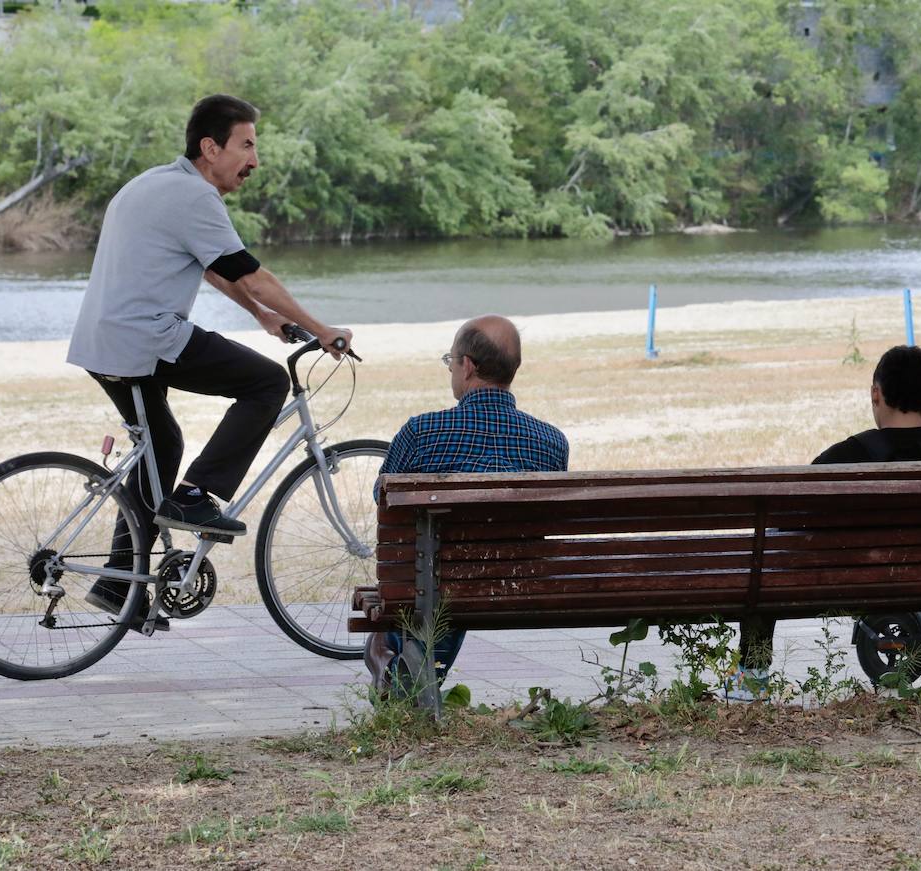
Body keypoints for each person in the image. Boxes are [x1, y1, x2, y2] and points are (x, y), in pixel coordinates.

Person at [66, 94, 352, 625]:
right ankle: (196, 495)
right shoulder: (196, 198)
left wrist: (264, 317)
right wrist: (321, 328)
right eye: (246, 145)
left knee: (162, 444)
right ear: (210, 147)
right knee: (266, 383)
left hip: (101, 342)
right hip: (145, 340)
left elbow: (213, 268)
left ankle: (117, 583)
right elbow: (251, 273)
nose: (255, 161)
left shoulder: (154, 183)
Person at [735, 345, 921, 698]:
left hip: (851, 584)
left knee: (768, 553)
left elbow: (791, 526)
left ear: (875, 394)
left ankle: (751, 678)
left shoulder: (839, 460)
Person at [364, 315, 569, 696]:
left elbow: (383, 501)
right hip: (518, 584)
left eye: (451, 361)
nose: (452, 370)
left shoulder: (421, 433)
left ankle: (391, 666)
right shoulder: (552, 442)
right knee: (456, 579)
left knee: (433, 577)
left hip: (437, 584)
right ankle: (408, 679)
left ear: (469, 366)